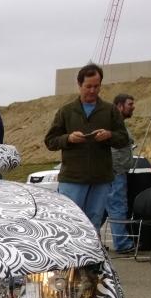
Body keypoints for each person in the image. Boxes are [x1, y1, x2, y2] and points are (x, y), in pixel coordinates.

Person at [44, 63, 130, 231]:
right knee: (70, 223)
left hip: (101, 179)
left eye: (96, 86)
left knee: (93, 223)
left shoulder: (110, 110)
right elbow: (50, 141)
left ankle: (93, 248)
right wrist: (68, 138)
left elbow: (123, 139)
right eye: (88, 86)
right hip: (73, 179)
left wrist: (109, 135)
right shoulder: (66, 111)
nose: (92, 90)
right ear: (79, 84)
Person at [107, 93, 137, 254]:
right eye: (130, 104)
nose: (133, 107)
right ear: (119, 106)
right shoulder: (113, 125)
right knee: (118, 207)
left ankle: (91, 243)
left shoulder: (115, 124)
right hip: (115, 173)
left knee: (102, 209)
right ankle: (122, 243)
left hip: (112, 173)